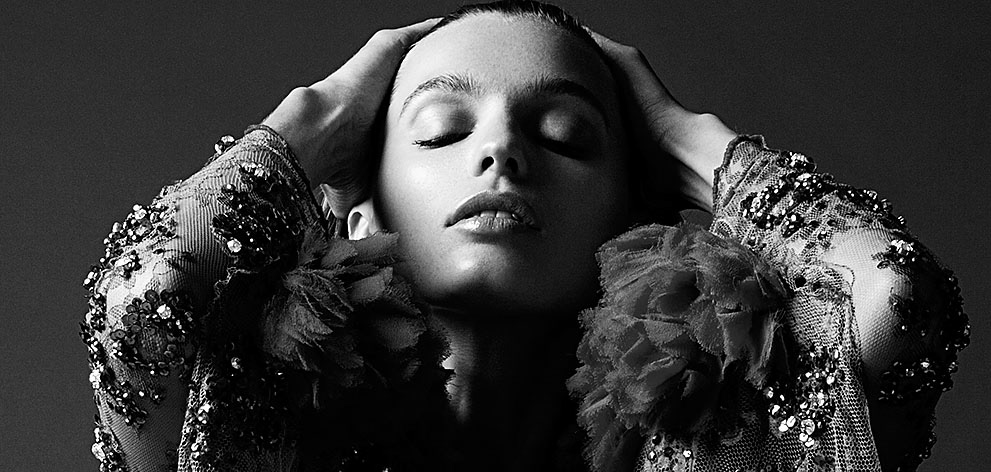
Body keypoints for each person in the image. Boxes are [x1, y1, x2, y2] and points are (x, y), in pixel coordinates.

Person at [80, 1, 968, 471]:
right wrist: (308, 121)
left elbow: (896, 295)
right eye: (440, 131)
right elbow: (145, 299)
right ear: (357, 219)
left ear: (631, 224)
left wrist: (693, 145)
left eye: (565, 137)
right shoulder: (252, 427)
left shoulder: (731, 437)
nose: (501, 150)